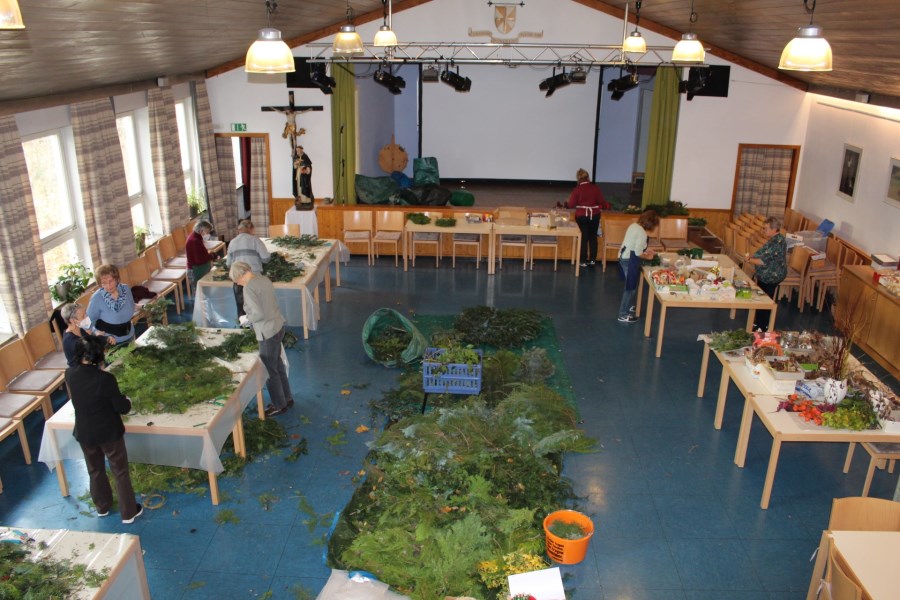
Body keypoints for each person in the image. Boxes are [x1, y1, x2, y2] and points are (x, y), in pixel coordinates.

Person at [65, 335, 142, 523]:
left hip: (85, 431)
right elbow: (121, 407)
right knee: (119, 470)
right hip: (108, 432)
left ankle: (102, 507)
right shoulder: (105, 378)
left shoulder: (69, 374)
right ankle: (129, 512)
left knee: (95, 469)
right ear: (98, 356)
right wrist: (128, 401)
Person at [229, 261, 294, 417]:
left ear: (240, 275)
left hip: (267, 332)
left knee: (269, 371)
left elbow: (258, 314)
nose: (238, 283)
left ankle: (279, 405)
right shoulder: (264, 279)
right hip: (278, 325)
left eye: (237, 280)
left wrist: (246, 319)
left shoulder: (249, 288)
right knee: (278, 365)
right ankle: (287, 398)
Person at [745, 215, 787, 332]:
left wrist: (749, 259)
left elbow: (762, 261)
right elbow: (763, 253)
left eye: (766, 228)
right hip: (766, 274)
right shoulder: (775, 238)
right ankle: (759, 322)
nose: (763, 231)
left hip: (772, 276)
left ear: (774, 229)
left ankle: (763, 326)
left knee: (765, 300)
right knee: (761, 297)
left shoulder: (777, 242)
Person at [617, 209, 660, 323]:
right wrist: (648, 257)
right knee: (630, 288)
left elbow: (634, 244)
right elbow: (637, 253)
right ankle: (623, 314)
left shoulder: (634, 225)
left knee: (632, 286)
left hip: (623, 257)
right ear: (651, 224)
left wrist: (646, 250)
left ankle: (628, 306)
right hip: (629, 260)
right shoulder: (642, 233)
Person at [226, 219, 271, 319]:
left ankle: (244, 329)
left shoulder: (232, 242)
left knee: (241, 305)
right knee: (256, 305)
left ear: (239, 230)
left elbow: (228, 264)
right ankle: (256, 328)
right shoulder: (255, 240)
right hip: (253, 277)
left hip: (238, 279)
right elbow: (266, 259)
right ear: (251, 229)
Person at [566, 168, 609, 267]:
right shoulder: (595, 188)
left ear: (578, 178)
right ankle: (593, 260)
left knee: (583, 238)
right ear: (588, 177)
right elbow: (601, 202)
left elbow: (571, 204)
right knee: (593, 237)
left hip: (582, 216)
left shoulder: (577, 190)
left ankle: (583, 261)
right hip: (594, 215)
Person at [86, 264, 135, 344]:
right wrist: (97, 332)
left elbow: (132, 305)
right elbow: (87, 322)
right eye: (104, 283)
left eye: (111, 281)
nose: (108, 286)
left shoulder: (125, 289)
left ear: (116, 279)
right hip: (111, 341)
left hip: (130, 334)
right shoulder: (97, 298)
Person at [60, 302, 114, 367]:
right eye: (83, 316)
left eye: (86, 314)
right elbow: (91, 347)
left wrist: (107, 338)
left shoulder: (80, 330)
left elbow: (92, 339)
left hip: (89, 364)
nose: (87, 317)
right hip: (80, 371)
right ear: (72, 321)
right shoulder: (70, 340)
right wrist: (103, 339)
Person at [185, 219, 216, 286]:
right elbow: (199, 260)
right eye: (207, 232)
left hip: (196, 268)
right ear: (201, 231)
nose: (208, 235)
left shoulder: (195, 236)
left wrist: (209, 254)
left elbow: (200, 253)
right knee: (199, 292)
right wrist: (211, 256)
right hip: (195, 270)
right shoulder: (195, 241)